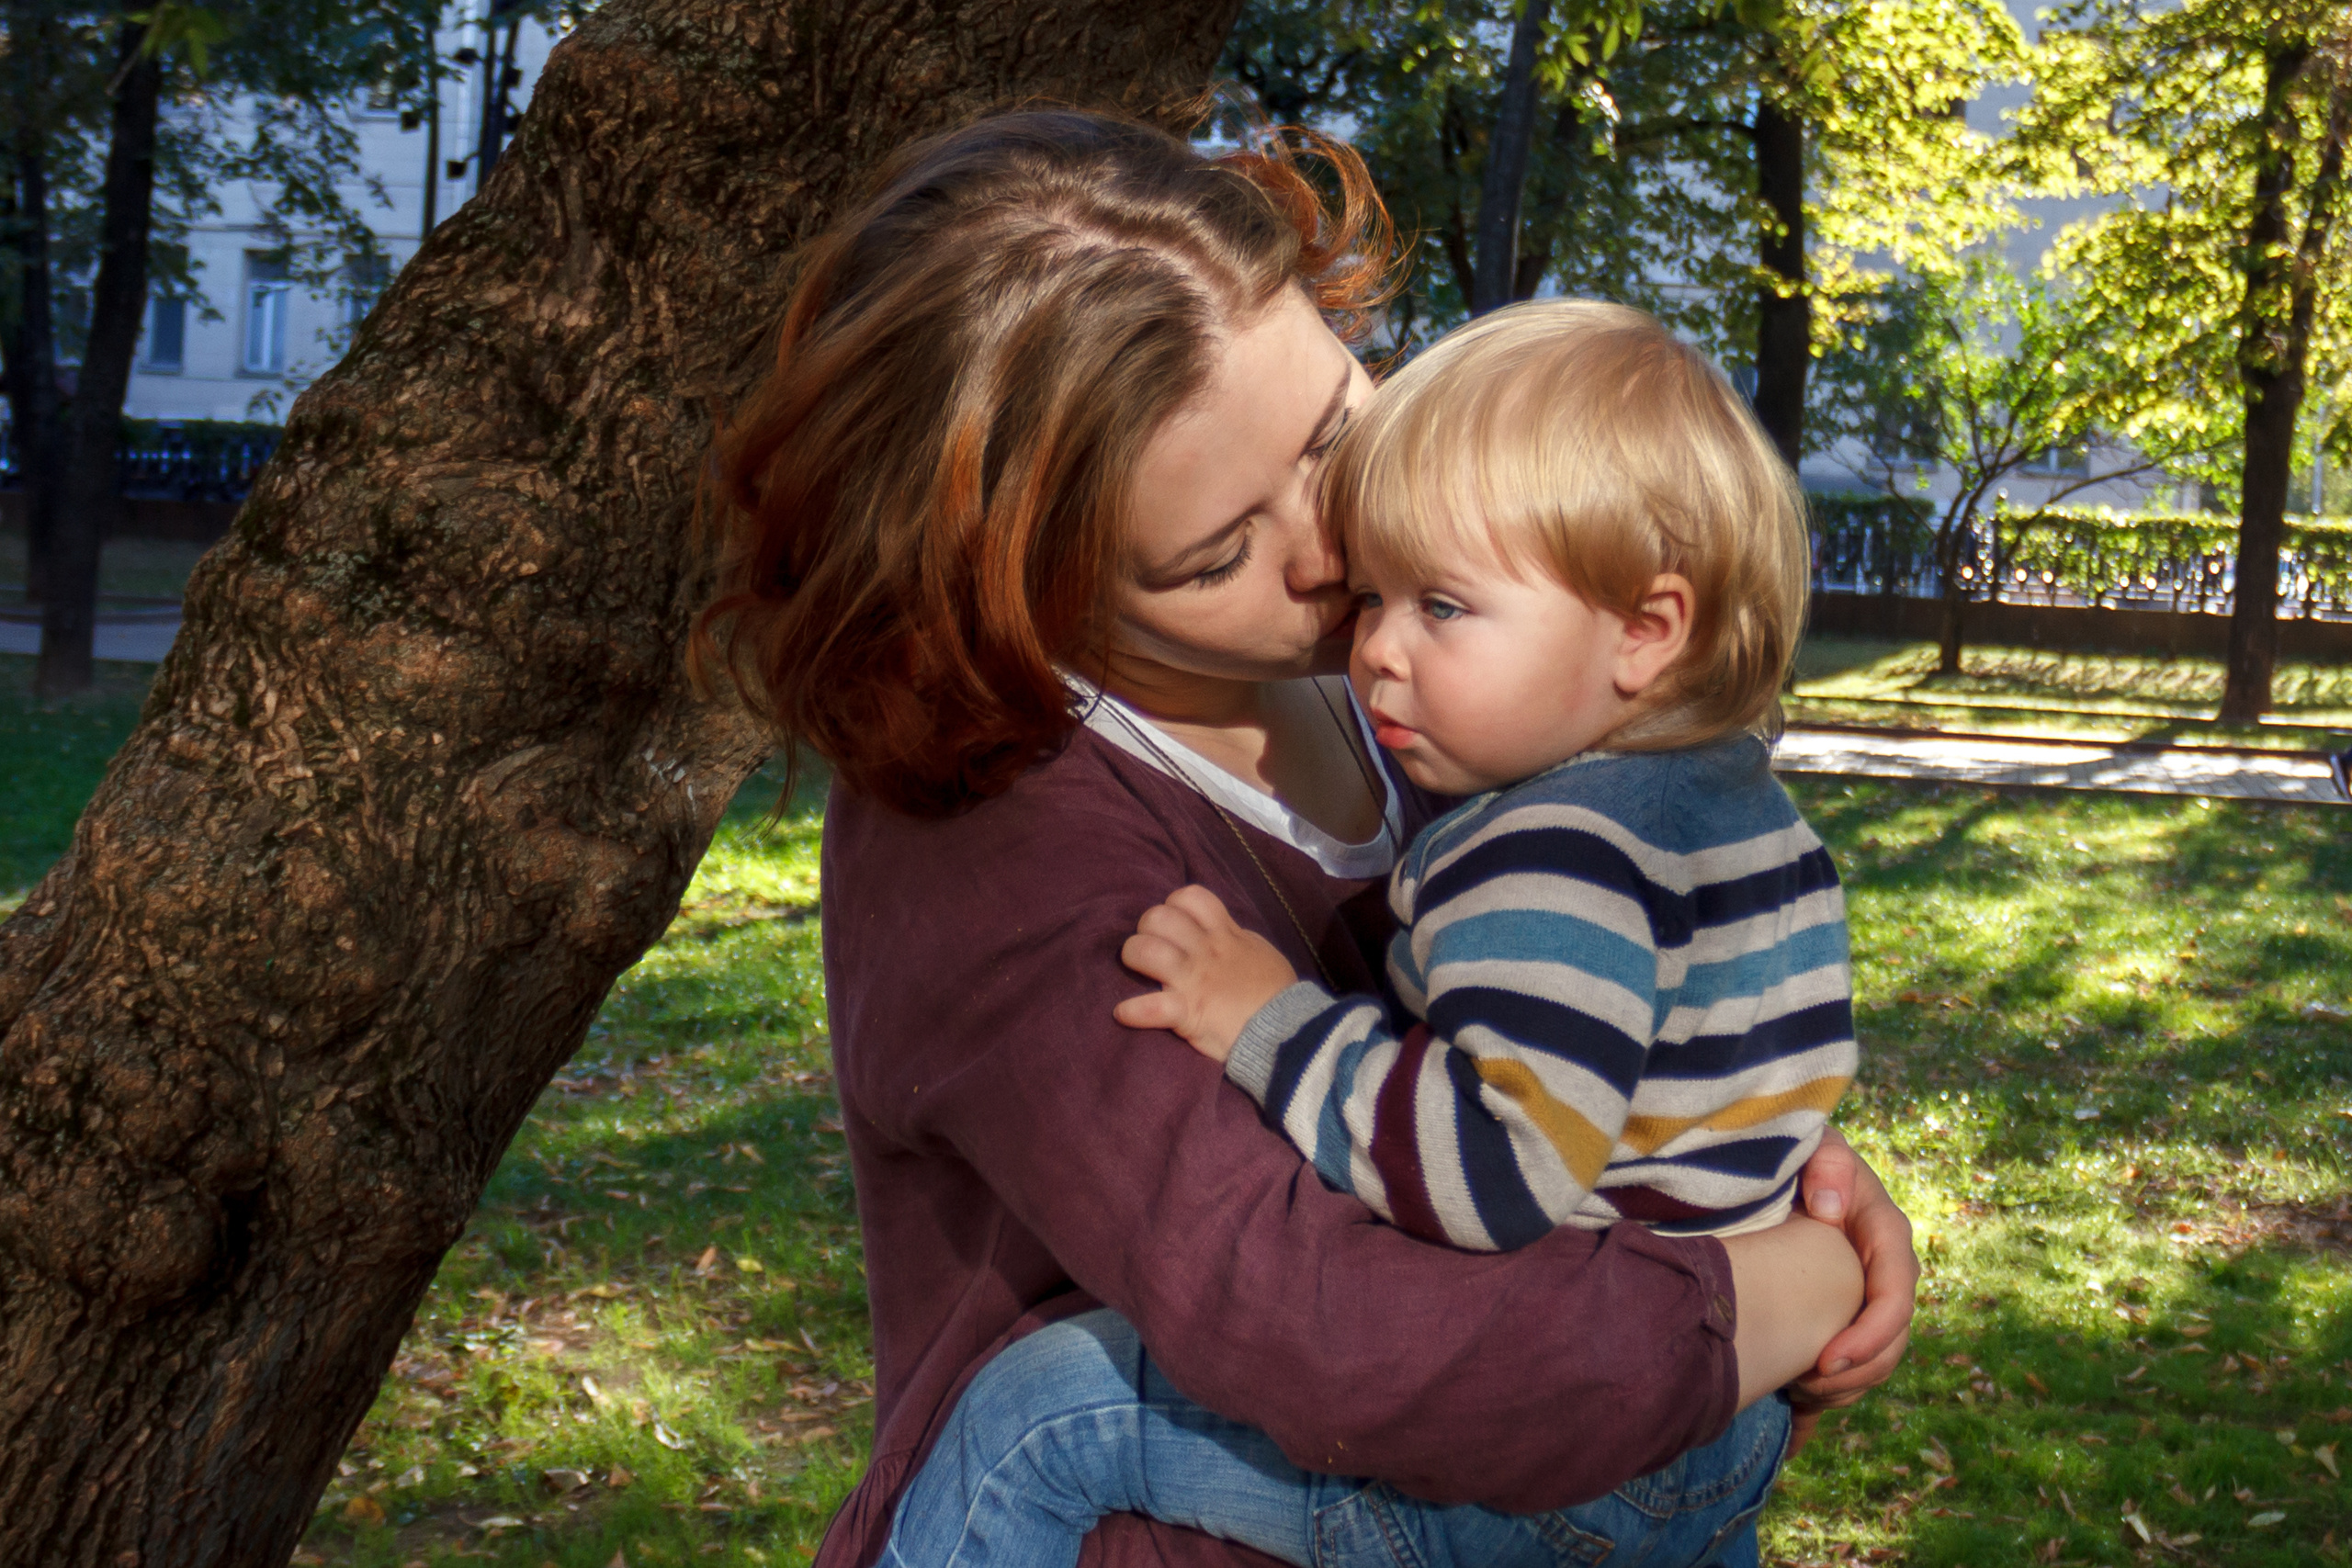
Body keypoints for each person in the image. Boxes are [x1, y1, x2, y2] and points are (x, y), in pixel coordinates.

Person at [695, 107, 1919, 1568]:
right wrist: (1757, 1296)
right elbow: (1342, 1338)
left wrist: (1783, 1176)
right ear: (1008, 587)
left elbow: (1581, 1005)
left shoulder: (1411, 673)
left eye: (1340, 431)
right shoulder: (997, 841)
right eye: (1216, 554)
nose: (1331, 549)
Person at [875, 303, 1864, 1568]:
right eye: (1217, 551)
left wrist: (1264, 1020)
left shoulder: (1548, 847)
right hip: (1707, 1434)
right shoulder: (1735, 801)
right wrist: (1794, 1260)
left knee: (1034, 1419)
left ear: (1645, 631)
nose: (1368, 630)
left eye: (1335, 442)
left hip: (1571, 1451)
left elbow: (1493, 1171)